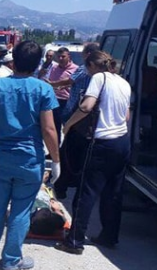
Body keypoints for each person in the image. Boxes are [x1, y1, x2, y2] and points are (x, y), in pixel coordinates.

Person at [0, 40, 61, 270]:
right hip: (30, 159)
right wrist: (56, 160)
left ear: (15, 60)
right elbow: (49, 129)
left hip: (1, 156)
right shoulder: (43, 89)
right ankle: (12, 260)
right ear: (37, 62)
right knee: (21, 210)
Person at [55, 51, 131, 255]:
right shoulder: (123, 82)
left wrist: (69, 124)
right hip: (122, 142)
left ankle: (74, 241)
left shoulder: (98, 78)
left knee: (86, 191)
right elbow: (126, 116)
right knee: (113, 192)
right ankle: (109, 235)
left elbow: (87, 106)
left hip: (102, 142)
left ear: (91, 66)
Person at [48, 43, 100, 198]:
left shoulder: (84, 70)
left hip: (77, 115)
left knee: (68, 153)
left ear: (88, 55)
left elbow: (70, 84)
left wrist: (51, 84)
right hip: (91, 122)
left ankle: (61, 186)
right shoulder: (109, 77)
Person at [46, 47, 79, 144]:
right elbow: (49, 81)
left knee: (68, 126)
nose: (60, 58)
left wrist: (63, 86)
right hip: (55, 100)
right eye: (59, 56)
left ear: (69, 56)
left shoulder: (75, 69)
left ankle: (67, 151)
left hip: (67, 101)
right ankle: (55, 150)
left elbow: (74, 82)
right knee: (55, 127)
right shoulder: (54, 68)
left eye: (63, 56)